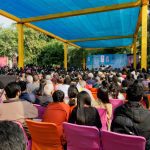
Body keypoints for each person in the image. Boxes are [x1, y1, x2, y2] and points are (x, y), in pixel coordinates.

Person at [111, 81, 150, 150]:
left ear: (127, 96)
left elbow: (113, 130)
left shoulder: (117, 110)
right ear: (141, 98)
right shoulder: (148, 114)